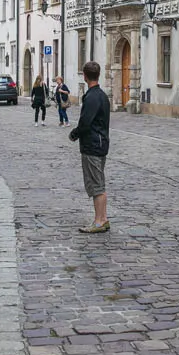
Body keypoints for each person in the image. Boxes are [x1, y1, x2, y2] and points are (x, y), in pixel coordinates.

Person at [69, 61, 111, 233]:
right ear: (98, 75)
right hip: (101, 143)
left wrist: (75, 133)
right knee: (98, 181)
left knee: (96, 184)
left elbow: (86, 122)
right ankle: (103, 218)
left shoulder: (92, 97)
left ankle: (99, 221)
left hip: (93, 145)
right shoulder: (102, 95)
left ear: (85, 76)